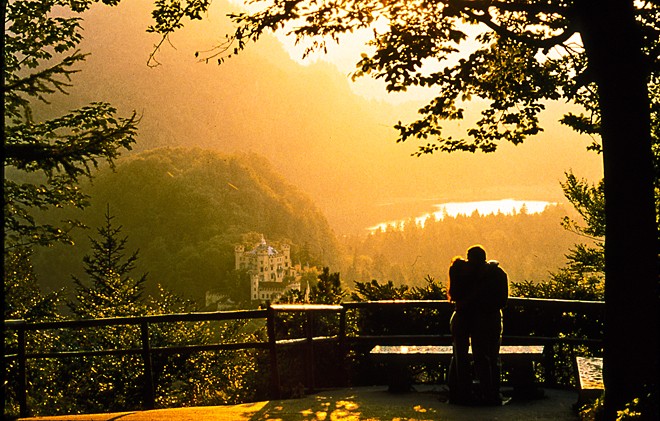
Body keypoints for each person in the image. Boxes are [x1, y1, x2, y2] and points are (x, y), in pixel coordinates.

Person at [447, 245, 509, 405]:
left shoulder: (459, 271)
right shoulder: (496, 273)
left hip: (461, 316)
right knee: (487, 357)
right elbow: (502, 300)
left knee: (459, 356)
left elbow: (453, 294)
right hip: (487, 318)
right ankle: (490, 394)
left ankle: (460, 393)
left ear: (468, 257)